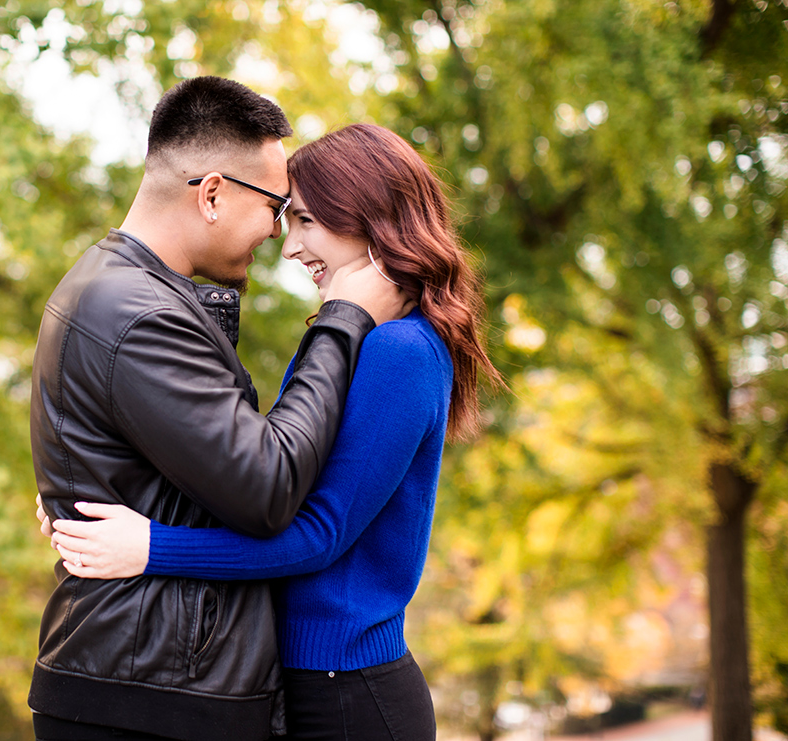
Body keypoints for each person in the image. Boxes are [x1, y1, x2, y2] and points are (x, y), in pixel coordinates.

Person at [44, 123, 503, 740]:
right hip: (303, 680)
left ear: (368, 220)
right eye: (287, 220)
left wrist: (150, 548)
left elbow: (318, 534)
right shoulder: (354, 338)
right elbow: (250, 472)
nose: (289, 247)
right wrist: (95, 497)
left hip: (350, 691)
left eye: (307, 221)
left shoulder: (401, 349)